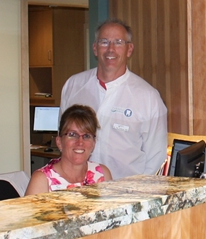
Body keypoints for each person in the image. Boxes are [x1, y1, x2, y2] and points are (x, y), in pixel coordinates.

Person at [60, 18, 168, 178]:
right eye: (104, 42)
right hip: (78, 190)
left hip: (126, 193)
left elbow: (156, 158)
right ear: (95, 48)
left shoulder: (148, 97)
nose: (110, 49)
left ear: (129, 49)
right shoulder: (73, 85)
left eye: (118, 42)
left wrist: (136, 195)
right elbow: (64, 139)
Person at [25, 104, 112, 194]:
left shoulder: (103, 174)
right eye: (72, 134)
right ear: (59, 142)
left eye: (86, 136)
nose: (80, 142)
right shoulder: (42, 180)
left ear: (94, 143)